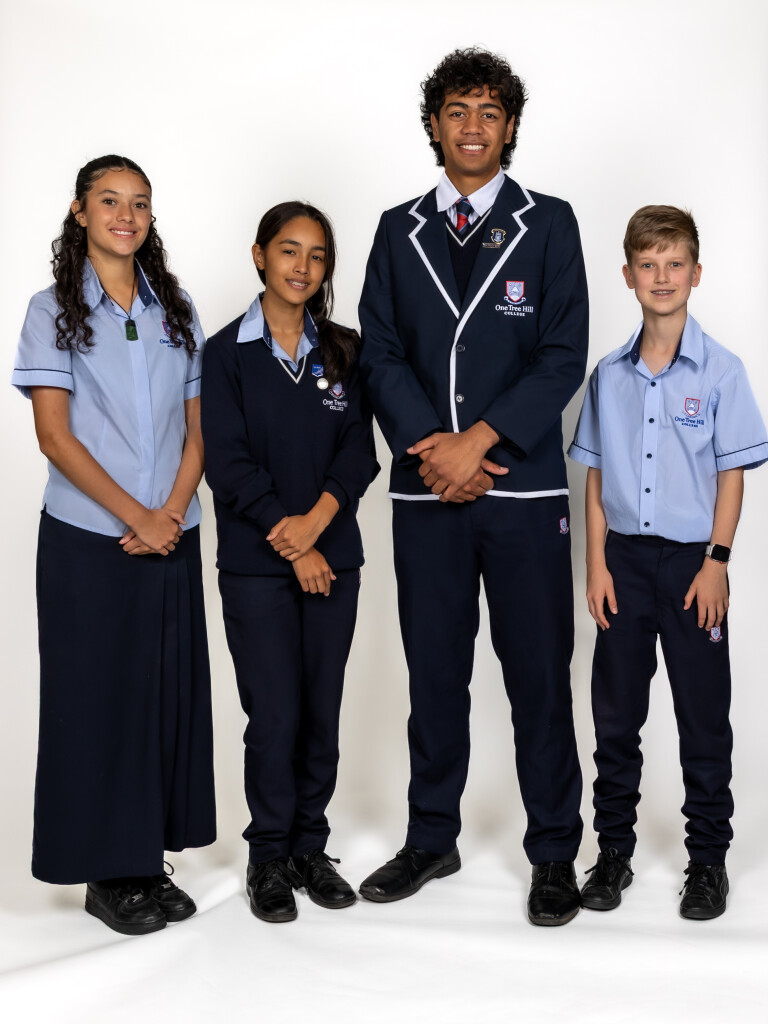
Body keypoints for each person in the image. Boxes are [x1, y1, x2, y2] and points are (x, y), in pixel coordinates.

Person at [358, 48, 588, 926]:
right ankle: (431, 837)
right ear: (433, 124)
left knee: (539, 677)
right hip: (428, 495)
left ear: (511, 127)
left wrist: (479, 442)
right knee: (435, 674)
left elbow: (561, 353)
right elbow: (380, 352)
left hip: (520, 493)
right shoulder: (397, 230)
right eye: (457, 110)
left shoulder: (551, 223)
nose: (472, 126)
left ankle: (554, 851)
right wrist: (432, 450)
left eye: (490, 112)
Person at [12, 155, 216, 935]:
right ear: (80, 212)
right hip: (89, 540)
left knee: (160, 696)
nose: (125, 216)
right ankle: (106, 875)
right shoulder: (49, 310)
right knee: (94, 700)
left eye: (138, 204)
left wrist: (172, 511)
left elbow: (199, 425)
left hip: (172, 533)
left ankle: (143, 861)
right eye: (109, 201)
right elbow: (54, 436)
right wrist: (138, 515)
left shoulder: (176, 308)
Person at [568, 205, 768, 920]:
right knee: (616, 716)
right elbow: (595, 476)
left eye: (674, 263)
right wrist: (596, 565)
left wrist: (717, 562)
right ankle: (612, 853)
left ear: (696, 273)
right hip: (623, 563)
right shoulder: (609, 374)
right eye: (647, 265)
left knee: (703, 716)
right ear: (627, 275)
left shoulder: (722, 371)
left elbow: (732, 475)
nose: (661, 277)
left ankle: (707, 861)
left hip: (692, 568)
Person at [201, 201, 379, 924]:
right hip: (257, 565)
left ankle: (311, 847)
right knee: (274, 715)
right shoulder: (224, 354)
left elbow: (359, 453)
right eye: (288, 250)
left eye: (317, 255)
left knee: (320, 713)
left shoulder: (345, 350)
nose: (303, 267)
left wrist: (316, 529)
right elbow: (227, 462)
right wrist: (291, 536)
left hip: (334, 559)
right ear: (259, 256)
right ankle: (269, 855)